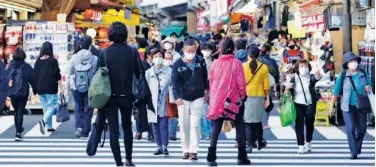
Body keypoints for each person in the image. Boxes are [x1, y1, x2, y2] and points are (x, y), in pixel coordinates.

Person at [96, 22, 141, 167]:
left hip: (109, 95)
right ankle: (129, 158)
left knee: (114, 130)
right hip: (127, 95)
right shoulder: (132, 52)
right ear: (125, 35)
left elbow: (99, 75)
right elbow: (138, 73)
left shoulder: (104, 52)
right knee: (127, 126)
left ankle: (118, 162)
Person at [206, 37, 250, 166]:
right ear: (234, 49)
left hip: (217, 100)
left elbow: (212, 83)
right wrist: (243, 96)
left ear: (221, 48)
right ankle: (242, 157)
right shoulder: (237, 63)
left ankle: (211, 157)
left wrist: (213, 98)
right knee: (239, 126)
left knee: (216, 128)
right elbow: (241, 83)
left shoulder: (215, 63)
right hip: (234, 100)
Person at [329, 52, 372, 159]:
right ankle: (354, 152)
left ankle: (356, 147)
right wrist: (331, 106)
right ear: (347, 64)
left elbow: (370, 86)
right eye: (350, 62)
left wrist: (368, 88)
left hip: (361, 106)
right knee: (350, 128)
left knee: (362, 130)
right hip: (347, 107)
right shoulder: (343, 76)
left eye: (354, 61)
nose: (353, 63)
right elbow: (336, 92)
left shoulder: (363, 73)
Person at [171, 39, 208, 160]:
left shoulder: (201, 61)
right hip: (183, 98)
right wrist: (177, 97)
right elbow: (174, 83)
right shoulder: (177, 64)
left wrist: (206, 91)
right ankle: (185, 149)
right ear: (184, 50)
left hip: (198, 97)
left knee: (195, 124)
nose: (191, 53)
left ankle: (193, 151)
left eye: (193, 51)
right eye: (189, 51)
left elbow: (205, 77)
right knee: (184, 124)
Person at [285, 59, 321, 154]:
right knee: (299, 124)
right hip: (298, 104)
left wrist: (318, 76)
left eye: (305, 66)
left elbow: (316, 78)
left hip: (310, 104)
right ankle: (300, 145)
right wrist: (287, 89)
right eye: (301, 66)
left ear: (309, 68)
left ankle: (308, 141)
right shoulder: (295, 78)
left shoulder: (311, 77)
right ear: (297, 68)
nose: (304, 68)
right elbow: (288, 89)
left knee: (310, 123)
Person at [68, 36, 98, 139]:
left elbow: (70, 72)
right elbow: (96, 73)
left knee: (78, 106)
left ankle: (78, 127)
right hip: (90, 87)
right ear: (90, 45)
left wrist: (69, 86)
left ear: (80, 45)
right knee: (88, 108)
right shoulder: (94, 58)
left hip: (76, 86)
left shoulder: (75, 57)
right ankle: (85, 132)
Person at [243, 45, 270, 153]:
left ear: (248, 55)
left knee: (248, 122)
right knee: (258, 122)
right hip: (259, 96)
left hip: (247, 96)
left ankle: (249, 145)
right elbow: (266, 85)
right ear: (259, 55)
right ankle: (259, 142)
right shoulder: (263, 67)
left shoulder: (243, 66)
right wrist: (267, 99)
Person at [6, 48, 37, 141]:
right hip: (23, 92)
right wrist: (35, 89)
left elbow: (5, 78)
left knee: (16, 111)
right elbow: (33, 79)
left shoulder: (10, 66)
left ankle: (18, 130)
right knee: (20, 111)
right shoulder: (26, 66)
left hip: (12, 92)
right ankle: (18, 132)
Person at [145, 49, 172, 155]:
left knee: (164, 124)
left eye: (160, 55)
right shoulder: (148, 73)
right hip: (152, 103)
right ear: (152, 58)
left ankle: (165, 146)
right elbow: (145, 88)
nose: (158, 58)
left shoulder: (169, 71)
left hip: (165, 102)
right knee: (154, 126)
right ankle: (159, 146)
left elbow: (172, 85)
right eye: (155, 56)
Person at [34, 42, 63, 134]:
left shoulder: (37, 61)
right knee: (53, 106)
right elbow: (57, 76)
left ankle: (49, 127)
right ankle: (43, 121)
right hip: (51, 87)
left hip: (40, 88)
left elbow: (35, 75)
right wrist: (62, 88)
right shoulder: (53, 61)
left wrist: (34, 88)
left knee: (46, 107)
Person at [260, 44, 279, 129]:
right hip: (268, 84)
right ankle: (265, 123)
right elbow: (275, 72)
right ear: (268, 51)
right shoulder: (271, 61)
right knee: (267, 102)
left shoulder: (256, 60)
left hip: (257, 85)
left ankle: (258, 121)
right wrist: (276, 82)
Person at [200, 42, 214, 140]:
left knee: (212, 111)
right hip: (201, 89)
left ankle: (211, 131)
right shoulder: (198, 61)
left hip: (213, 89)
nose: (206, 52)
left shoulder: (215, 61)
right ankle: (207, 132)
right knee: (203, 112)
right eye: (204, 50)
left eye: (208, 50)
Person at [165, 51, 179, 141]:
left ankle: (172, 134)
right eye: (166, 58)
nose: (167, 60)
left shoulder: (175, 68)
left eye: (169, 59)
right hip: (162, 94)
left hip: (172, 93)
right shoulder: (158, 68)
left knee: (173, 115)